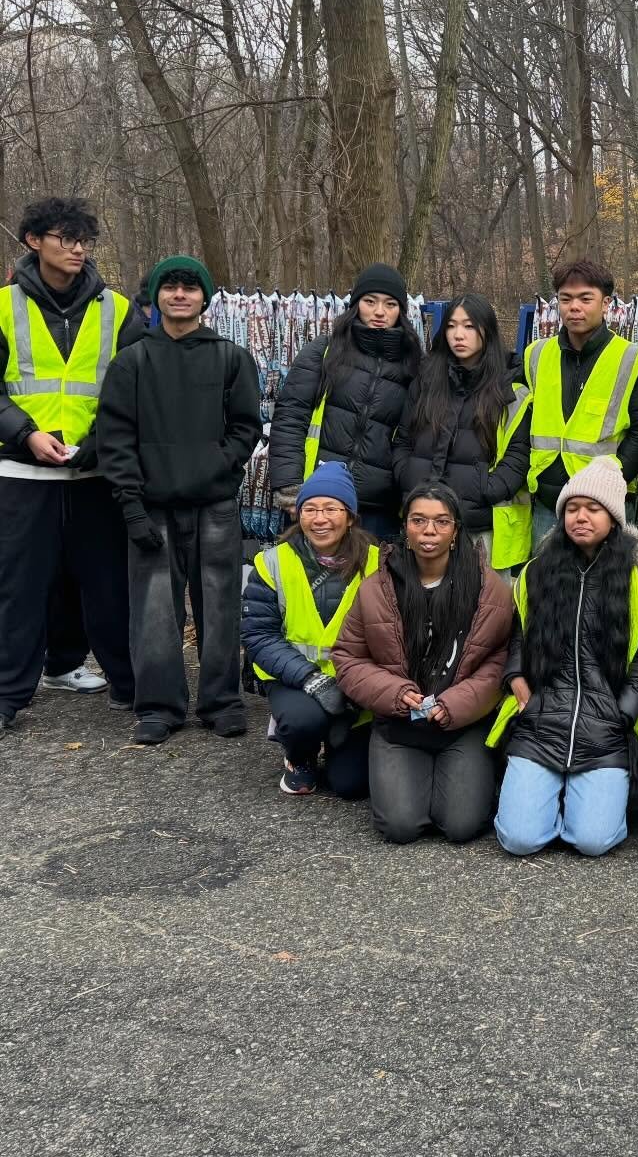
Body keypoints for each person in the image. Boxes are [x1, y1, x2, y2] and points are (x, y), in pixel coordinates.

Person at [96, 256, 262, 745]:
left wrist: (218, 466)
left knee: (219, 604)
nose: (180, 295)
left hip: (214, 505)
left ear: (204, 298)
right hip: (152, 505)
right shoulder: (132, 361)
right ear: (156, 297)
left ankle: (220, 701)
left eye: (190, 287)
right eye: (170, 287)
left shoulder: (231, 357)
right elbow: (115, 438)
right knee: (152, 609)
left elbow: (246, 427)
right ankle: (159, 706)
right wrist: (130, 503)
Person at [0, 197, 144, 735]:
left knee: (108, 586)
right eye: (65, 238)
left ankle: (131, 688)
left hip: (94, 475)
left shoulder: (120, 309)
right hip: (20, 474)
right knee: (19, 588)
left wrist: (101, 443)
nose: (79, 248)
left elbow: (133, 391)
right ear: (34, 242)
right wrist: (26, 434)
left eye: (85, 239)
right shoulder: (2, 306)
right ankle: (9, 694)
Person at [490, 457, 638, 857]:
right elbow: (518, 638)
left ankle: (574, 803)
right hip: (540, 722)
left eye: (593, 508)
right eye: (572, 508)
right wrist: (517, 680)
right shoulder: (537, 572)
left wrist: (622, 713)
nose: (580, 517)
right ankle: (544, 799)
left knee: (593, 841)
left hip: (605, 731)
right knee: (519, 839)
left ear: (614, 518)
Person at [332, 482, 513, 843]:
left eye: (441, 522)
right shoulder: (376, 588)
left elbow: (501, 658)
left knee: (460, 826)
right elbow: (348, 657)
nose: (429, 531)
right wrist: (394, 693)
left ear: (456, 530)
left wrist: (456, 703)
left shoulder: (488, 587)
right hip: (398, 725)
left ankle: (466, 778)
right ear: (405, 527)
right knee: (401, 827)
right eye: (418, 521)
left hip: (463, 724)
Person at [242, 462, 380, 797]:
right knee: (303, 721)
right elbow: (259, 636)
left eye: (331, 508)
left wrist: (359, 686)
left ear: (350, 517)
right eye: (310, 509)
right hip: (294, 678)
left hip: (354, 682)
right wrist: (311, 679)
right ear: (298, 514)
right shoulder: (272, 562)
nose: (319, 519)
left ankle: (338, 744)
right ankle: (299, 756)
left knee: (351, 786)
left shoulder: (378, 563)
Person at [269, 263, 421, 540]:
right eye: (369, 301)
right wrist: (290, 487)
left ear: (401, 311)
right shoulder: (325, 352)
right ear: (355, 304)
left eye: (390, 304)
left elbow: (415, 439)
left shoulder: (413, 366)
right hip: (317, 499)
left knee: (371, 583)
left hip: (378, 510)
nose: (379, 312)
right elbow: (290, 418)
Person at [393, 295, 532, 572]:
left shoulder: (510, 386)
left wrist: (485, 490)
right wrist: (407, 476)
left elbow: (520, 452)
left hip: (481, 526)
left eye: (469, 326)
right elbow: (403, 439)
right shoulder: (426, 379)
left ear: (487, 331)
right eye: (452, 326)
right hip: (423, 521)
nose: (459, 335)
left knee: (481, 611)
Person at [523, 258, 638, 551]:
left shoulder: (633, 358)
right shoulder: (536, 355)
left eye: (585, 299)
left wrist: (610, 482)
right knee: (546, 588)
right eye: (565, 299)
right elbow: (518, 423)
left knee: (606, 589)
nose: (574, 307)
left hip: (605, 506)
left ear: (606, 304)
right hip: (547, 502)